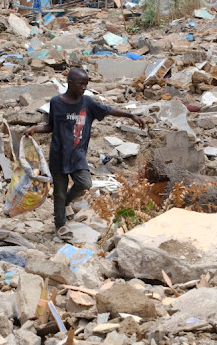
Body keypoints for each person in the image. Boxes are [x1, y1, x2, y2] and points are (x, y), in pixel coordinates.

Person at [25, 68, 145, 237]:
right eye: (81, 84)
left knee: (85, 184)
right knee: (58, 191)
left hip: (77, 154)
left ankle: (65, 202)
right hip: (58, 154)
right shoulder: (56, 102)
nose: (84, 88)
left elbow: (109, 110)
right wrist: (35, 129)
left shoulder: (88, 103)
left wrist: (130, 115)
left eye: (86, 85)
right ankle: (60, 226)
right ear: (70, 83)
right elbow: (51, 126)